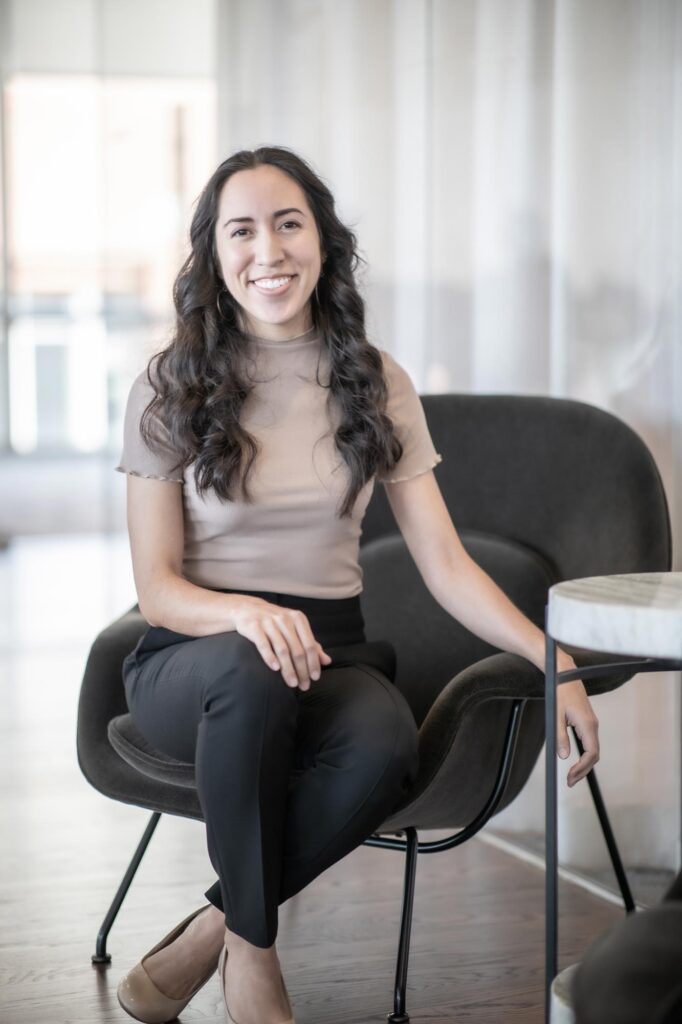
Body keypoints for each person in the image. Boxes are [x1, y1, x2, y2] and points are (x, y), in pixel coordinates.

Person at [114, 145, 599, 1024]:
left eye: (289, 223)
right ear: (215, 256)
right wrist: (247, 615)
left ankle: (212, 932)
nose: (270, 250)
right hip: (190, 657)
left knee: (383, 746)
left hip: (329, 651)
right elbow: (156, 587)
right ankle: (256, 960)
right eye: (243, 229)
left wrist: (550, 655)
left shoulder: (377, 383)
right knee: (246, 666)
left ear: (324, 242)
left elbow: (446, 564)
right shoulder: (166, 387)